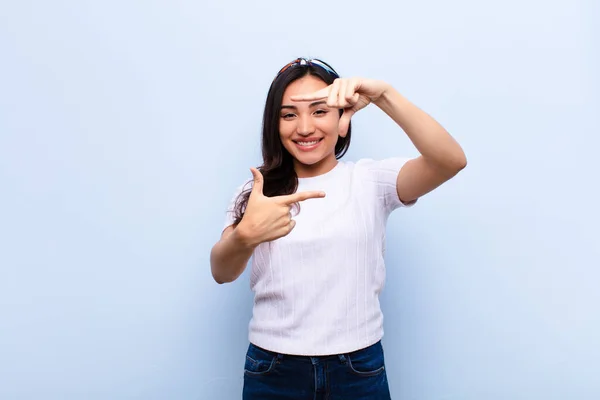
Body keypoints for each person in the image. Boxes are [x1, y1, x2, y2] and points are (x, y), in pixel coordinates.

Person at [210, 57, 467, 399]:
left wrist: (384, 95)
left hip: (358, 369)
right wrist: (244, 236)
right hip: (273, 369)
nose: (304, 128)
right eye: (289, 114)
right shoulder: (255, 191)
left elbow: (450, 160)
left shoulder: (371, 181)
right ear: (274, 124)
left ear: (343, 120)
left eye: (319, 111)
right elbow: (221, 272)